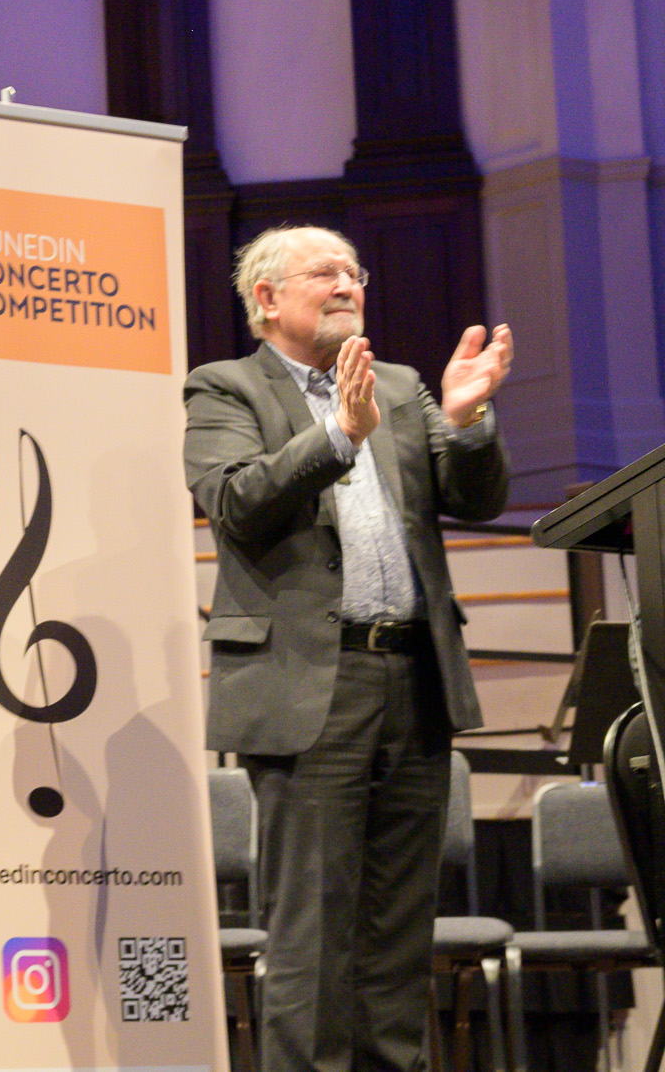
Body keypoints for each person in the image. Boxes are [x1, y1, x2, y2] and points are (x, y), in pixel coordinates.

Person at [183, 225, 512, 1072]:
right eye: (323, 272)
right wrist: (337, 436)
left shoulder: (402, 387)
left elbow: (475, 499)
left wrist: (470, 419)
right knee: (313, 932)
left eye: (354, 272)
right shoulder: (226, 388)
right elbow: (234, 501)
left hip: (414, 677)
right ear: (265, 298)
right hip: (309, 687)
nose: (346, 284)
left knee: (399, 934)